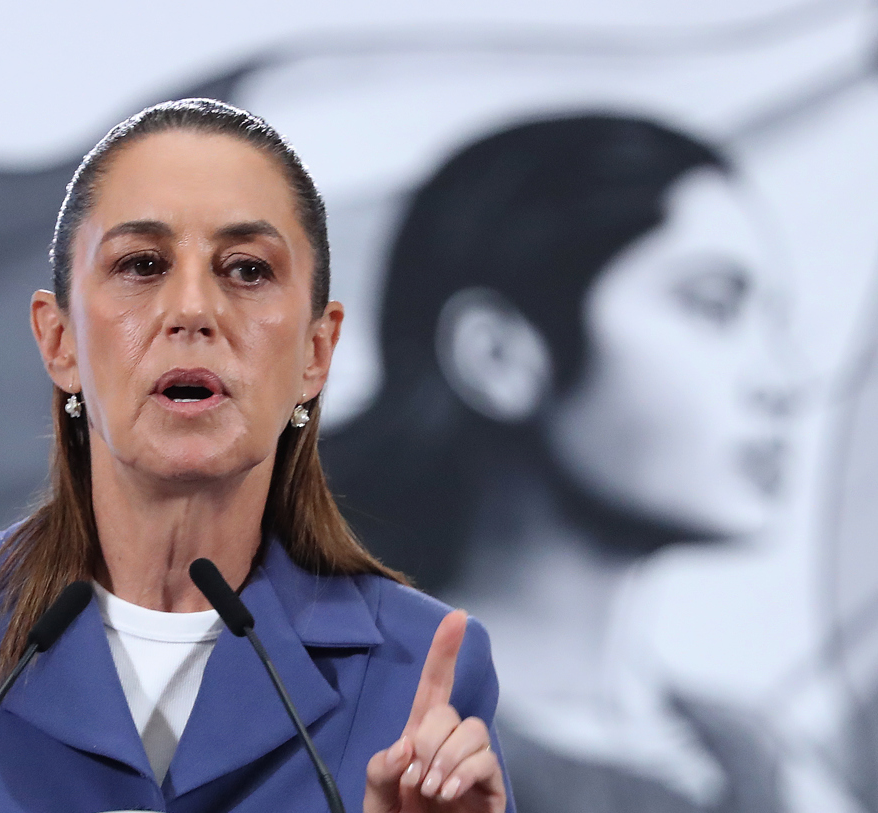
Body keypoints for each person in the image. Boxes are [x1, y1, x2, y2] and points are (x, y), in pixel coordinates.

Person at [0, 99, 513, 813]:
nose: (192, 310)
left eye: (247, 269)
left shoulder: (419, 669)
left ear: (318, 351)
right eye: (141, 264)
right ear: (59, 340)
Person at [324, 114, 795, 812]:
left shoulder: (748, 748)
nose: (782, 379)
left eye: (779, 324)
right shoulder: (356, 746)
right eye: (712, 307)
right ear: (498, 355)